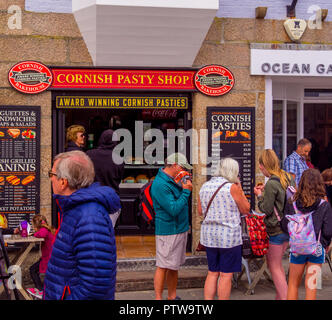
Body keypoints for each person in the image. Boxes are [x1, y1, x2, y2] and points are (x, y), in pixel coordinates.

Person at [43, 150, 120, 300]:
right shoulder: (76, 210)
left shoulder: (89, 217)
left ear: (63, 181)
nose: (50, 179)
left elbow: (95, 285)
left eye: (51, 175)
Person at [198, 157, 250, 300]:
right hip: (229, 237)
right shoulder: (232, 187)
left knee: (212, 272)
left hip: (209, 236)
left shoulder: (205, 186)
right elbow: (246, 209)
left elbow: (200, 211)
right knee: (226, 274)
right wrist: (240, 188)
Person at [281, 168, 332, 300]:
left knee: (292, 284)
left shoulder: (292, 202)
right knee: (311, 285)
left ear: (301, 182)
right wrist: (325, 245)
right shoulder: (324, 205)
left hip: (297, 248)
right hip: (317, 249)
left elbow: (285, 224)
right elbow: (327, 230)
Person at [254, 149, 296, 300]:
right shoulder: (286, 177)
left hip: (276, 229)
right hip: (289, 226)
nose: (260, 168)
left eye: (261, 166)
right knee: (278, 265)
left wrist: (259, 196)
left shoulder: (272, 183)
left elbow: (265, 208)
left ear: (265, 165)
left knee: (275, 267)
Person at [151, 152, 193, 300]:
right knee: (163, 265)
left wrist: (182, 185)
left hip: (178, 229)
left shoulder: (172, 180)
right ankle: (158, 298)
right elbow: (173, 209)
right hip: (168, 231)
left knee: (173, 266)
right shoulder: (160, 184)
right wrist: (186, 191)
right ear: (174, 165)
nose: (185, 171)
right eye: (183, 167)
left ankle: (172, 297)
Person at [26, 215, 55, 299]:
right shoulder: (48, 229)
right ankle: (42, 289)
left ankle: (41, 290)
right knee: (35, 270)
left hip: (48, 259)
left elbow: (40, 234)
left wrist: (34, 233)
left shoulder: (44, 230)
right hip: (49, 257)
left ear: (36, 225)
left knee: (33, 270)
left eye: (33, 225)